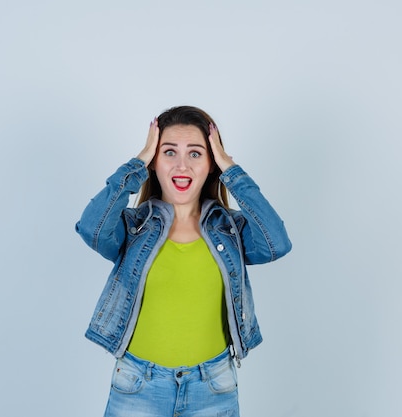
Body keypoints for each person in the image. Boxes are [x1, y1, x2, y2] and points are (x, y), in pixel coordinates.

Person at [75, 105, 292, 417]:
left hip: (213, 387)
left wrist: (231, 170)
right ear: (154, 162)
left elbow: (276, 243)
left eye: (195, 153)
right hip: (138, 386)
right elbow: (92, 228)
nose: (182, 165)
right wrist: (138, 162)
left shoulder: (228, 230)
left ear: (210, 164)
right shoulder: (135, 227)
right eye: (168, 152)